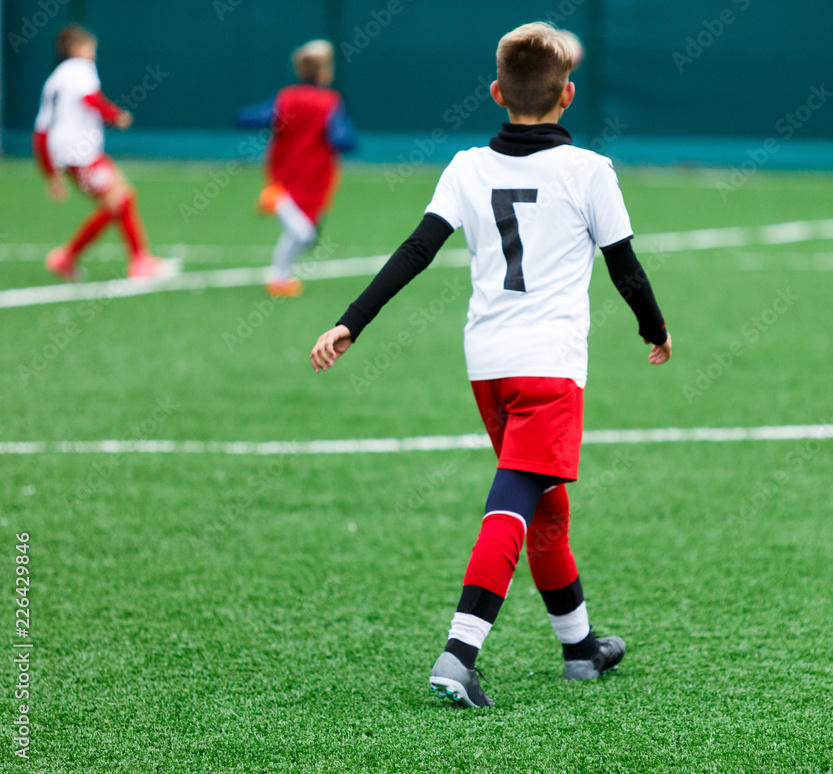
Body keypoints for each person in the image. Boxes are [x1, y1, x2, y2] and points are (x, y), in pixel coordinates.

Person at [310, 22, 671, 708]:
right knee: (513, 502)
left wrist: (352, 320)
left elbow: (415, 251)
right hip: (550, 367)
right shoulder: (590, 170)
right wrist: (654, 327)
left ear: (497, 92)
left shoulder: (466, 166)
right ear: (568, 93)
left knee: (546, 507)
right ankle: (459, 652)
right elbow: (625, 267)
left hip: (489, 367)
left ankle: (580, 646)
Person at [34, 24, 174, 281]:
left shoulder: (54, 80)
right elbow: (90, 98)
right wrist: (116, 115)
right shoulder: (80, 69)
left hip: (70, 155)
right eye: (90, 47)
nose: (93, 53)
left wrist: (50, 172)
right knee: (120, 199)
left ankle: (72, 258)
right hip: (81, 153)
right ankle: (132, 261)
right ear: (76, 48)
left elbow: (41, 131)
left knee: (119, 200)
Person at [237, 39, 356, 298]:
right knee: (305, 233)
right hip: (310, 178)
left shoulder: (286, 97)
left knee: (304, 234)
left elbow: (257, 117)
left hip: (286, 174)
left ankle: (279, 278)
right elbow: (343, 139)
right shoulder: (329, 102)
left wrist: (244, 116)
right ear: (323, 72)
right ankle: (278, 273)